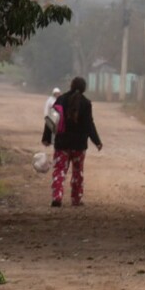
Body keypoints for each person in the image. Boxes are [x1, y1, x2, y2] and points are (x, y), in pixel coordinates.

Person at [41, 77, 102, 207]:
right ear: (84, 88)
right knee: (77, 172)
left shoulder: (61, 100)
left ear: (71, 86)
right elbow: (89, 124)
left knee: (59, 170)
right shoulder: (86, 103)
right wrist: (96, 141)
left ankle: (57, 197)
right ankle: (76, 199)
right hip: (79, 145)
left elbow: (51, 120)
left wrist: (46, 138)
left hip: (62, 143)